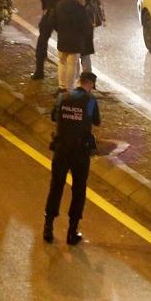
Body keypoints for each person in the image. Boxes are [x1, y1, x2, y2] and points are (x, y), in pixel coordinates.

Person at [44, 70, 100, 246]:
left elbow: (54, 116)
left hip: (61, 150)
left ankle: (48, 227)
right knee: (78, 190)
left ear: (79, 81)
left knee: (56, 187)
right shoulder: (90, 101)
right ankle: (71, 231)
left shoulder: (63, 97)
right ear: (90, 84)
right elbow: (97, 121)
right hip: (80, 153)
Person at [38, 0, 94, 93]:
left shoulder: (59, 5)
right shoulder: (80, 8)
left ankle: (62, 86)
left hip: (62, 39)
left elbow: (52, 21)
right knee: (72, 65)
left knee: (62, 62)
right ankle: (69, 89)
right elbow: (87, 26)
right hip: (76, 41)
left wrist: (61, 30)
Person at [35, 0, 77, 79]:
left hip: (50, 8)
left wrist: (49, 3)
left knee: (43, 38)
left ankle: (39, 70)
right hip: (65, 10)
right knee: (69, 42)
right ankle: (71, 77)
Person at [70, 0, 104, 80]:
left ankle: (82, 80)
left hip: (83, 22)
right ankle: (81, 80)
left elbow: (81, 0)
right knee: (81, 52)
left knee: (81, 52)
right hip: (84, 23)